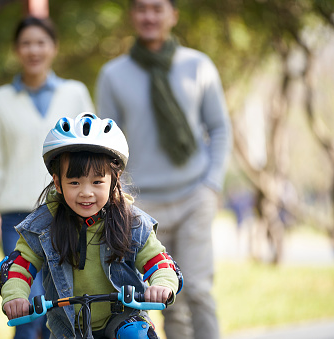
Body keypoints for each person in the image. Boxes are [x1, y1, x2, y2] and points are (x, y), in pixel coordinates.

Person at [95, 0, 232, 338]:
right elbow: (106, 144)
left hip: (193, 196)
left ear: (173, 15)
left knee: (198, 291)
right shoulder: (113, 74)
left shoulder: (198, 66)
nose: (149, 16)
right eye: (141, 9)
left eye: (158, 8)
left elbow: (220, 129)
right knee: (158, 297)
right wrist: (118, 198)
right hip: (140, 207)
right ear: (132, 16)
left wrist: (211, 184)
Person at [0, 16, 94, 339]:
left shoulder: (75, 93)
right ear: (16, 50)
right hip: (19, 220)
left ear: (54, 48)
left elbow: (93, 156)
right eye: (26, 43)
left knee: (61, 308)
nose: (34, 50)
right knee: (28, 308)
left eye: (41, 42)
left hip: (67, 215)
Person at [0, 113, 181, 338]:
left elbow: (160, 262)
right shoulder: (44, 225)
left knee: (136, 334)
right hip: (69, 326)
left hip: (124, 318)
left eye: (97, 182)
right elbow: (18, 266)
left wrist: (162, 284)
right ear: (57, 182)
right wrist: (15, 296)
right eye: (74, 182)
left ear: (114, 179)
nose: (86, 193)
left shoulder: (131, 222)